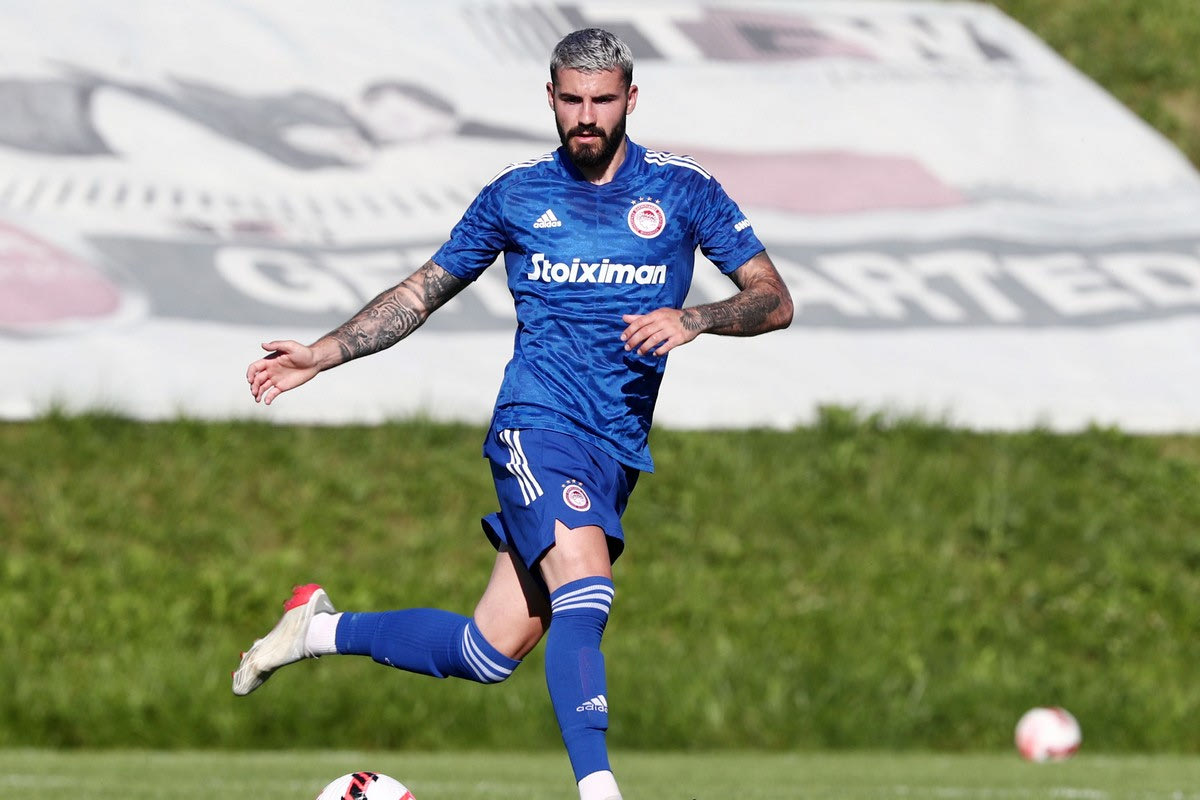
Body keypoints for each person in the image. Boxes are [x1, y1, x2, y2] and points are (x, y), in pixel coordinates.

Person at [233, 28, 793, 800]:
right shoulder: (517, 195)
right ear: (551, 98)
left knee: (489, 650)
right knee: (585, 592)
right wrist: (324, 353)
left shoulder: (684, 191)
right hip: (537, 425)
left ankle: (318, 628)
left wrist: (695, 318)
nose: (586, 116)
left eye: (602, 100)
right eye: (572, 100)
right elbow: (420, 291)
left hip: (615, 448)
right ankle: (599, 790)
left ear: (631, 99)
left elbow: (773, 299)